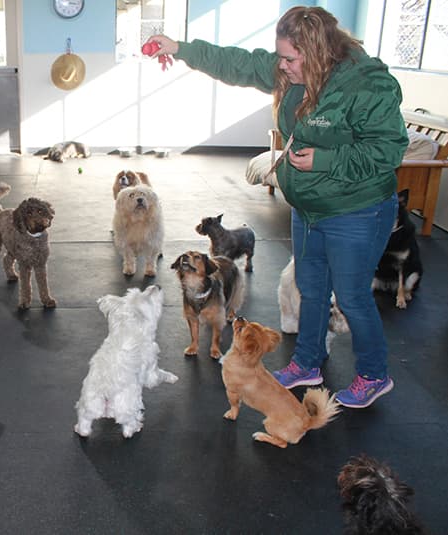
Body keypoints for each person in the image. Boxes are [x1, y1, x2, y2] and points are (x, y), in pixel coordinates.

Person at [146, 6, 408, 408]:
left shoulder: (368, 85)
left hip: (357, 209)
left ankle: (375, 374)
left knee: (352, 296)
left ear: (319, 52)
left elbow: (387, 150)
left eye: (290, 59)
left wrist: (324, 160)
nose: (282, 67)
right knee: (311, 288)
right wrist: (180, 48)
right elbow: (240, 63)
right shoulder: (292, 68)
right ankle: (308, 362)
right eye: (281, 58)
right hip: (309, 207)